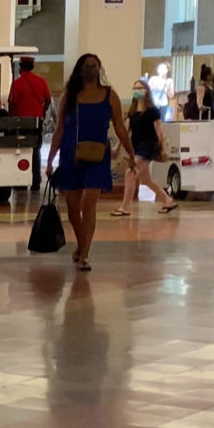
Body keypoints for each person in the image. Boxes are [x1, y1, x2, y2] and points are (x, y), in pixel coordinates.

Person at [47, 53, 129, 273]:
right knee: (73, 208)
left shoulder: (110, 96)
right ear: (80, 69)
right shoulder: (69, 96)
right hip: (71, 155)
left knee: (88, 203)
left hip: (97, 156)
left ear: (99, 69)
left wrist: (129, 152)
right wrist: (50, 160)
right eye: (87, 65)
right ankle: (81, 245)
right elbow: (59, 130)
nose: (91, 69)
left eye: (94, 66)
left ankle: (84, 254)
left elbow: (120, 126)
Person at [113, 79, 179, 217]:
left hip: (147, 147)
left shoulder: (152, 111)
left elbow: (159, 131)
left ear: (146, 91)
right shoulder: (132, 111)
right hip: (136, 147)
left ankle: (125, 207)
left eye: (140, 88)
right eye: (135, 88)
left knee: (130, 174)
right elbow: (125, 131)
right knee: (146, 180)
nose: (137, 91)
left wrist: (163, 149)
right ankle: (168, 200)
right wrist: (118, 147)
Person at [7, 56, 52, 189]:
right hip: (36, 122)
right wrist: (42, 112)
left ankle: (21, 182)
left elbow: (12, 104)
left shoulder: (17, 83)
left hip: (20, 123)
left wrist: (12, 120)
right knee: (36, 151)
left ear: (20, 67)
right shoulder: (41, 81)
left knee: (20, 151)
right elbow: (48, 100)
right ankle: (36, 181)